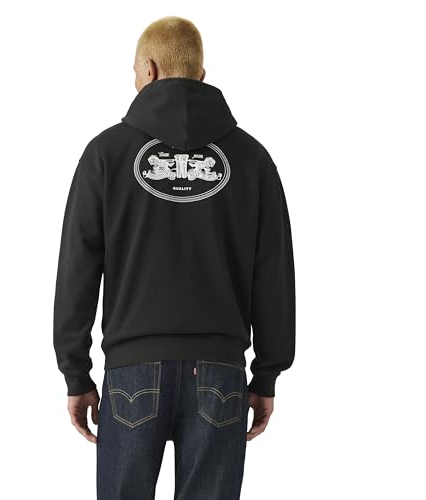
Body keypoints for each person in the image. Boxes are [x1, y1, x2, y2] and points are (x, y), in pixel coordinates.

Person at [53, 15, 296, 500]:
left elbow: (77, 268)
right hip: (221, 373)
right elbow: (273, 274)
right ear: (201, 75)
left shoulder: (106, 154)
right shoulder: (251, 159)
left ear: (149, 69)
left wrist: (76, 373)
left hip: (132, 371)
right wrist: (267, 373)